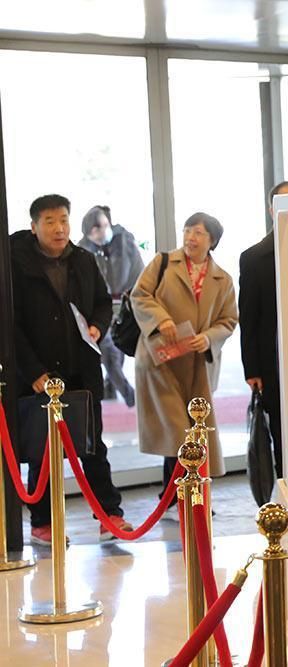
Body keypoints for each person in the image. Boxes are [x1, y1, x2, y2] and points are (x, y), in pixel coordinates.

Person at [10, 194, 132, 545]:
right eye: (49, 221)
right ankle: (42, 522)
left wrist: (97, 326)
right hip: (39, 376)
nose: (59, 228)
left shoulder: (82, 259)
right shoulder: (17, 265)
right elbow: (11, 325)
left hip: (81, 369)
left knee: (92, 446)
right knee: (42, 449)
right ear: (34, 227)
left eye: (63, 219)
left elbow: (102, 303)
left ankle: (109, 515)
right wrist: (33, 371)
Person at [130, 212, 237, 490]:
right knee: (176, 430)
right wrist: (161, 319)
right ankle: (179, 493)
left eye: (199, 233)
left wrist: (208, 338)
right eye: (188, 231)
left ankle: (187, 493)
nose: (191, 238)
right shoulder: (163, 263)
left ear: (212, 240)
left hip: (198, 364)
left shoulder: (222, 279)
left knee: (196, 430)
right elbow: (139, 295)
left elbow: (228, 320)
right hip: (161, 360)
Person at [239, 181, 288, 488]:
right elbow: (249, 317)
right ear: (273, 211)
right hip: (275, 362)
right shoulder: (255, 257)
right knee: (286, 439)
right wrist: (252, 369)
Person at [78, 205, 144, 407]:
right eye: (95, 230)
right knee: (109, 353)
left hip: (125, 306)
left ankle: (111, 386)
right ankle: (130, 395)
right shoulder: (83, 250)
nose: (101, 233)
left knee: (118, 348)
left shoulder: (125, 242)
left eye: (104, 226)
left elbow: (137, 273)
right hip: (100, 309)